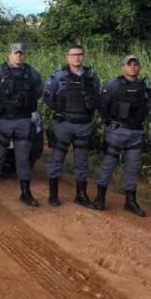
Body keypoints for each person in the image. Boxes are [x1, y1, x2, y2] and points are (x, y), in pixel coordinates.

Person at [0, 43, 43, 205]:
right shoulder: (0, 71)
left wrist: (28, 103)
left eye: (22, 53)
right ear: (10, 55)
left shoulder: (31, 72)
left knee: (23, 159)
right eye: (16, 53)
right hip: (3, 120)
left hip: (23, 120)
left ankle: (26, 193)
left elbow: (39, 90)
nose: (19, 56)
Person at [92, 55, 151, 217]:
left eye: (135, 64)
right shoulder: (113, 85)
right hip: (116, 131)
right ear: (123, 67)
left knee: (132, 167)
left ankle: (130, 201)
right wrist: (110, 122)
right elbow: (102, 105)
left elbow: (146, 107)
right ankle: (100, 198)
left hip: (136, 131)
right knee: (108, 164)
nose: (132, 67)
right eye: (129, 64)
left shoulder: (144, 87)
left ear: (139, 67)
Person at [43, 44, 100, 207]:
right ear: (67, 57)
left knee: (81, 161)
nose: (77, 57)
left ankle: (81, 195)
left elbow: (96, 95)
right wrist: (59, 110)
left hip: (84, 124)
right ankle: (53, 196)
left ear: (83, 56)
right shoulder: (58, 74)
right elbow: (47, 96)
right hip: (63, 124)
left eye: (79, 54)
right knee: (57, 159)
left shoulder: (91, 75)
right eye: (73, 54)